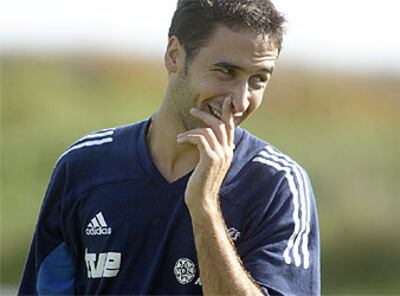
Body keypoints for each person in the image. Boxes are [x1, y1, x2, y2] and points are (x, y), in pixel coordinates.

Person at [18, 0, 320, 295]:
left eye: (258, 80)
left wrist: (205, 208)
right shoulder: (84, 166)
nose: (240, 101)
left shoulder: (278, 186)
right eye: (226, 72)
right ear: (174, 55)